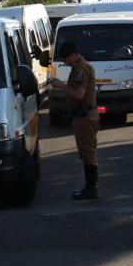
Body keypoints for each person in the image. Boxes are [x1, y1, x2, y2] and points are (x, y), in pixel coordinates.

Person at [50, 41, 100, 200]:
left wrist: (61, 86)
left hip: (85, 117)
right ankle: (90, 187)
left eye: (65, 59)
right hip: (82, 116)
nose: (64, 62)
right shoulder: (79, 68)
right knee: (86, 152)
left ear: (73, 55)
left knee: (88, 152)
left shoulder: (81, 69)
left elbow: (79, 94)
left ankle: (91, 189)